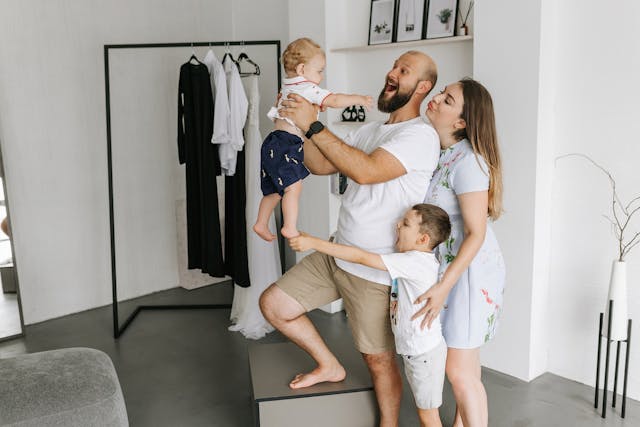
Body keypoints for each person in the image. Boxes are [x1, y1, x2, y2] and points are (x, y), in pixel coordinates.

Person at [259, 50, 440, 427]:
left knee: (378, 360)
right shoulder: (372, 129)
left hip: (372, 271)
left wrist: (314, 126)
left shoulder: (420, 135)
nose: (391, 73)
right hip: (334, 253)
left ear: (422, 87)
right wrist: (295, 120)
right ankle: (328, 365)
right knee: (273, 305)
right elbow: (321, 163)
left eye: (403, 71)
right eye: (394, 66)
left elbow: (367, 171)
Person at [289, 203, 451, 427]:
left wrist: (314, 243)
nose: (397, 225)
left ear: (422, 239)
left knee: (428, 417)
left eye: (405, 224)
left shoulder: (414, 262)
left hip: (424, 356)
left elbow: (360, 257)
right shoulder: (416, 260)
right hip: (418, 354)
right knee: (425, 413)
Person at [413, 78, 505, 427]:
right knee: (466, 367)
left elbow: (476, 233)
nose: (436, 99)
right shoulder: (442, 154)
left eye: (447, 99)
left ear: (462, 122)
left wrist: (443, 287)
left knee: (458, 371)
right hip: (453, 271)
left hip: (469, 274)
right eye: (441, 93)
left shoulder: (468, 161)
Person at [253, 37, 373, 241]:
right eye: (319, 71)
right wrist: (358, 99)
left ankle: (261, 222)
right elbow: (334, 100)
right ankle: (289, 227)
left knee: (275, 190)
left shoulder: (287, 86)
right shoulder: (307, 88)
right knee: (294, 187)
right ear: (301, 69)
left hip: (273, 141)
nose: (321, 76)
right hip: (287, 144)